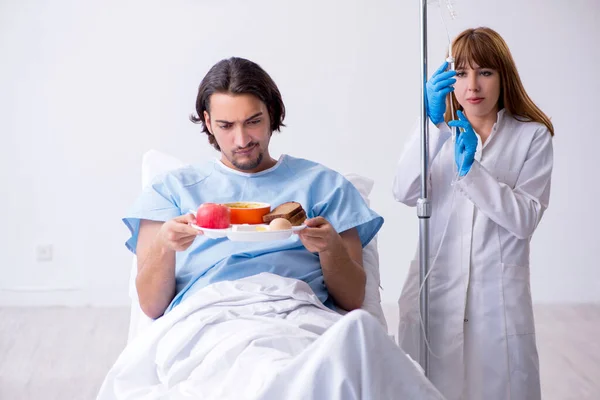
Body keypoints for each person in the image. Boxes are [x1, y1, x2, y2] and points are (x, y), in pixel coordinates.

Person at [126, 56, 383, 319]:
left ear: (272, 113)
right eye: (226, 126)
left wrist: (331, 248)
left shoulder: (326, 187)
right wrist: (165, 246)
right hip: (210, 316)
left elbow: (352, 299)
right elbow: (151, 306)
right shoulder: (171, 190)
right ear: (207, 122)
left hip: (300, 315)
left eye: (253, 122)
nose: (242, 140)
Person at [393, 27, 554, 400]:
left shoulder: (532, 137)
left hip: (495, 304)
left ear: (503, 76)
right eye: (462, 73)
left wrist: (472, 173)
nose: (473, 86)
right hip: (435, 294)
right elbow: (403, 190)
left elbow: (524, 219)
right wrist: (429, 126)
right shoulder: (437, 134)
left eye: (485, 72)